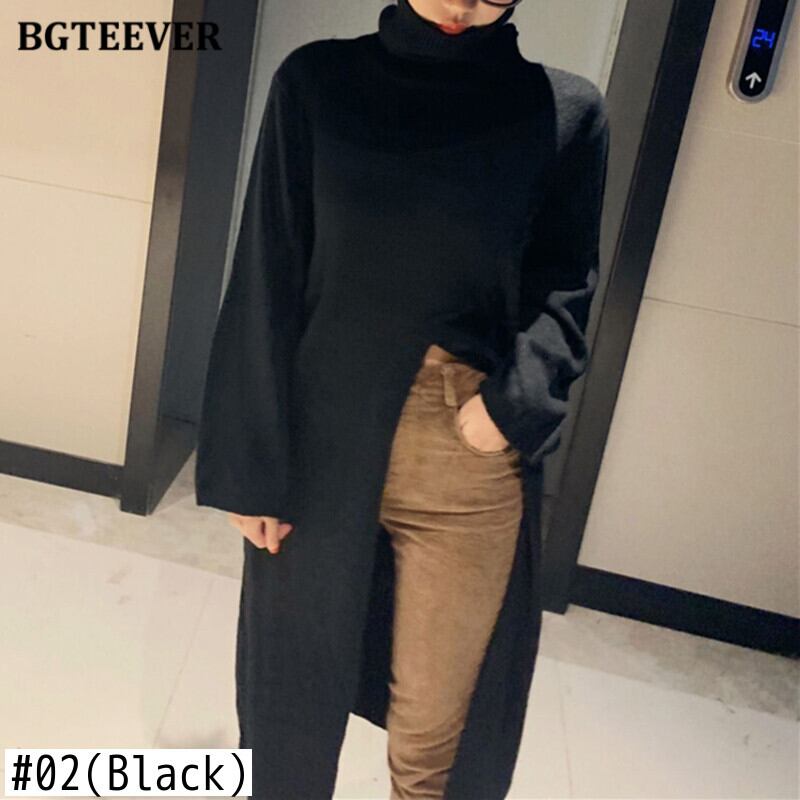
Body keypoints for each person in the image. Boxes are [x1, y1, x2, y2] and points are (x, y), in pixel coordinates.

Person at [194, 0, 610, 797]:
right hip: (318, 444)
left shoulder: (562, 113)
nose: (462, 5)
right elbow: (269, 269)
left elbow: (566, 286)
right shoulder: (317, 82)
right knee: (286, 720)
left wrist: (511, 410)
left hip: (466, 455)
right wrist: (251, 466)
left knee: (435, 747)